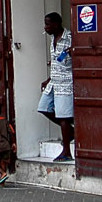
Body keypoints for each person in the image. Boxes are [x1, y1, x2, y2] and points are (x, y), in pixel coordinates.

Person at [38, 12, 74, 162]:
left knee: (64, 117)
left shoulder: (70, 38)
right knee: (43, 107)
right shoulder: (53, 39)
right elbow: (56, 62)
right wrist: (48, 79)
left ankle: (66, 151)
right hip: (54, 81)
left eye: (48, 24)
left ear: (56, 24)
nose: (45, 27)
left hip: (66, 82)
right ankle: (71, 132)